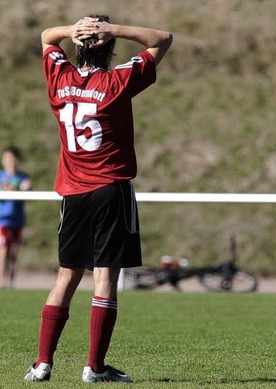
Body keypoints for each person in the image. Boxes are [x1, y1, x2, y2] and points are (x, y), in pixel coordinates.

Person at [24, 16, 172, 383]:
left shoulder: (59, 78)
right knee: (104, 278)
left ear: (77, 45)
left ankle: (43, 363)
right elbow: (163, 39)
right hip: (110, 191)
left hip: (72, 194)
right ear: (109, 47)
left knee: (66, 276)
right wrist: (116, 29)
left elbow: (46, 37)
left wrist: (73, 29)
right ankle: (94, 367)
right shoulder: (117, 81)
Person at [0, 146, 32, 288]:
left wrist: (26, 188)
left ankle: (11, 283)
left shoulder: (23, 177)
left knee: (14, 251)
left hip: (18, 219)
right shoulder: (1, 176)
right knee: (3, 249)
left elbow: (27, 190)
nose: (11, 161)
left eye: (13, 159)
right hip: (3, 219)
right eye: (8, 158)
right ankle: (1, 281)